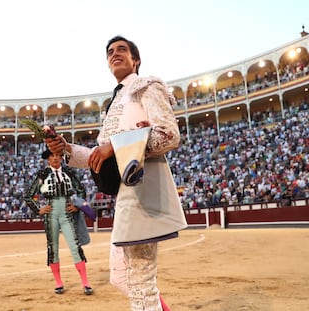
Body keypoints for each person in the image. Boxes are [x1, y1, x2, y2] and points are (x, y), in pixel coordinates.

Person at [47, 35, 187, 310]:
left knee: (141, 284)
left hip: (144, 191)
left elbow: (169, 136)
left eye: (122, 49)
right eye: (110, 51)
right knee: (122, 276)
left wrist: (117, 144)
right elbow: (100, 155)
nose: (115, 54)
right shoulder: (116, 102)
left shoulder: (146, 87)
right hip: (127, 197)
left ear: (136, 59)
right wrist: (66, 149)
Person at [24, 146, 93, 296]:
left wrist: (76, 205)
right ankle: (58, 283)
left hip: (67, 214)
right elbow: (28, 196)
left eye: (57, 155)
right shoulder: (43, 174)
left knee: (75, 247)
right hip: (51, 214)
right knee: (53, 248)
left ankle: (85, 283)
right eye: (52, 156)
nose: (55, 158)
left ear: (62, 157)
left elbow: (81, 190)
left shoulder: (69, 172)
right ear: (48, 159)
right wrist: (38, 210)